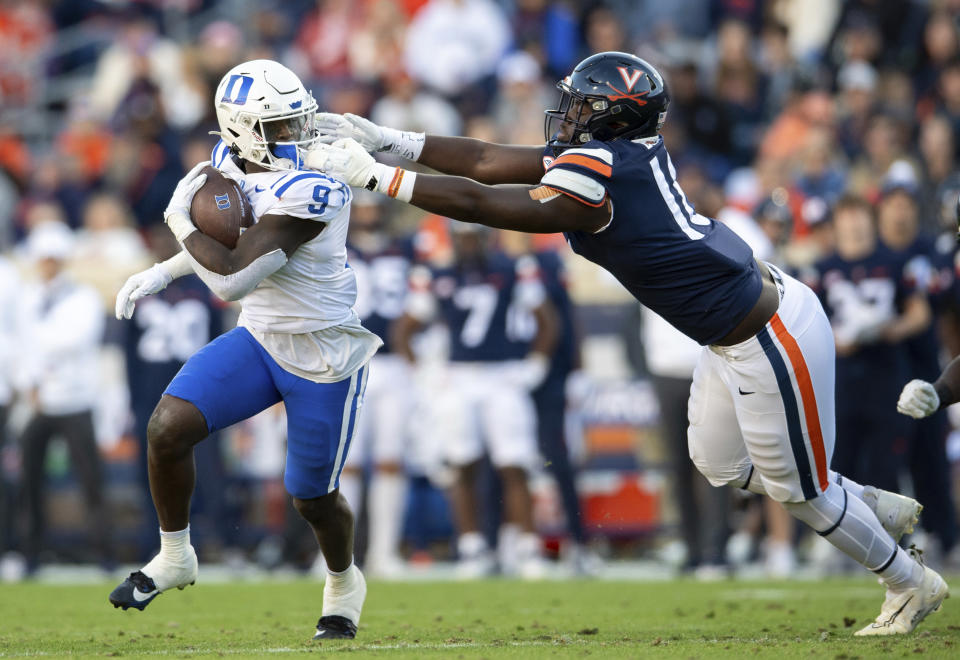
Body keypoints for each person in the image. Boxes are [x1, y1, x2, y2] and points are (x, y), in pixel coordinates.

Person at [307, 51, 948, 635]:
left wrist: (379, 179)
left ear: (616, 115)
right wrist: (390, 142)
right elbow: (482, 158)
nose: (571, 113)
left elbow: (486, 202)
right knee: (719, 462)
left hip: (769, 333)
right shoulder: (615, 155)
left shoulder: (602, 174)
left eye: (585, 104)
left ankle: (908, 582)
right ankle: (854, 498)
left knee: (800, 493)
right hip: (734, 335)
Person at [109, 60, 381, 641]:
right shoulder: (229, 165)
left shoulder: (320, 183)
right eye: (281, 126)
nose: (298, 134)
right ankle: (177, 554)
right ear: (240, 130)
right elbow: (229, 239)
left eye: (296, 120)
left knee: (312, 498)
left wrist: (179, 223)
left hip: (322, 354)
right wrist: (165, 270)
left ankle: (342, 580)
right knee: (166, 427)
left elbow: (234, 276)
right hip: (259, 339)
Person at [392, 221, 558, 578]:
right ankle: (471, 548)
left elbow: (547, 321)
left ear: (489, 237)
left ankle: (527, 547)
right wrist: (423, 373)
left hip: (503, 375)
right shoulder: (435, 273)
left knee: (514, 463)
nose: (470, 244)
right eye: (464, 237)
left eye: (476, 237)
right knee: (461, 463)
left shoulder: (515, 268)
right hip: (459, 377)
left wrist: (537, 363)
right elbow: (404, 329)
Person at [16, 220, 111, 573]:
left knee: (91, 480)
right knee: (29, 479)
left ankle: (104, 551)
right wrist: (30, 381)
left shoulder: (81, 297)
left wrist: (39, 345)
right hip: (41, 399)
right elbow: (24, 347)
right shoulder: (29, 297)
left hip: (75, 398)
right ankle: (31, 553)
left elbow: (75, 340)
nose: (46, 265)